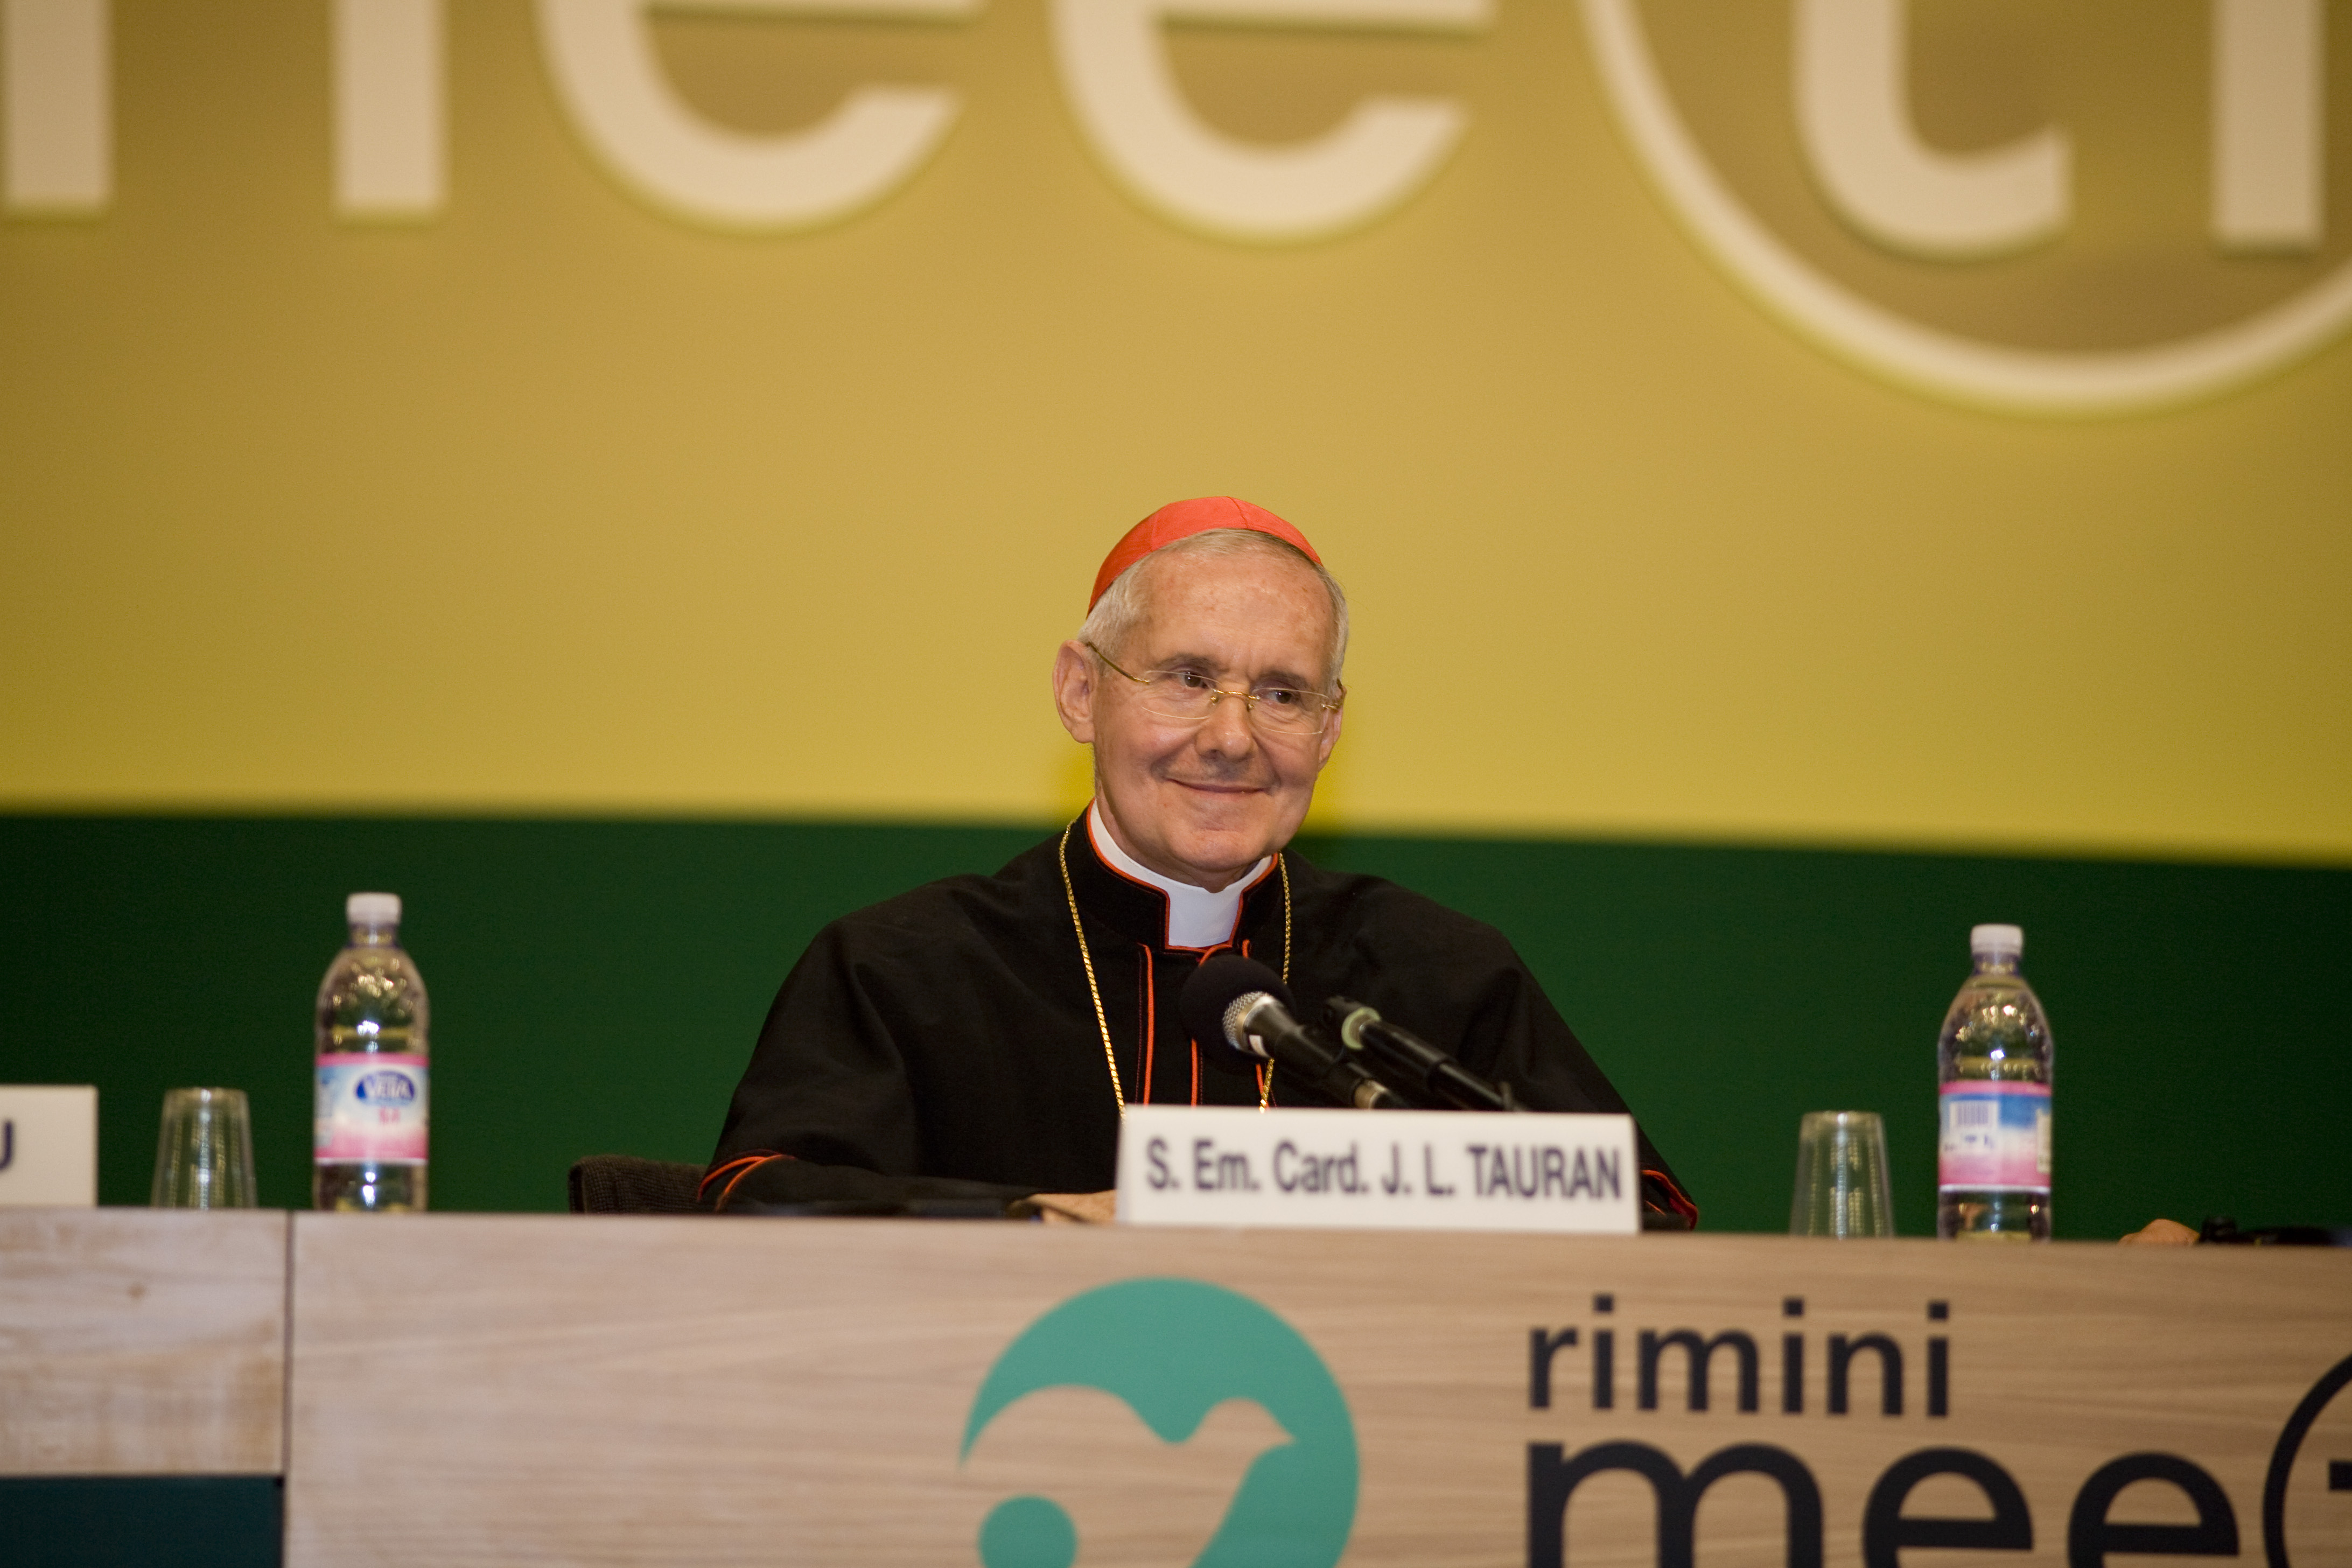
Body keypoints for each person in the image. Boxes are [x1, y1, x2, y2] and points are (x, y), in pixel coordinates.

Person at [701, 497, 1697, 1227]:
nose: (1231, 738)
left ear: (1330, 730)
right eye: (1188, 679)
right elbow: (759, 1200)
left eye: (1282, 694)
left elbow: (1640, 1215)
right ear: (1081, 693)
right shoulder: (902, 968)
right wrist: (1029, 1223)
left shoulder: (1441, 974)